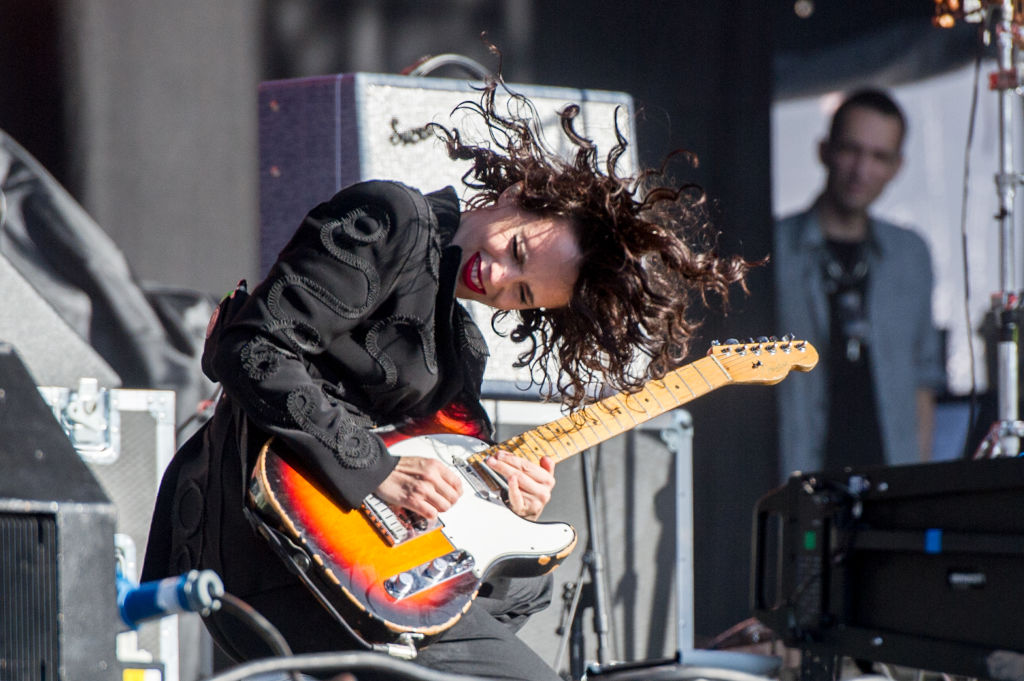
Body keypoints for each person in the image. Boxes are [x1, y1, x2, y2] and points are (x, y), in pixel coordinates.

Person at [141, 76, 751, 681]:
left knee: (520, 590)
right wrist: (378, 471)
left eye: (522, 292)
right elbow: (256, 345)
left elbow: (442, 478)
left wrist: (504, 496)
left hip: (357, 562)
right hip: (268, 539)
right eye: (516, 249)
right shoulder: (391, 218)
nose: (499, 277)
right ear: (514, 194)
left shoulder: (462, 346)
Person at [774, 88, 946, 479]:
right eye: (851, 150)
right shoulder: (775, 249)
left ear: (897, 166)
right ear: (825, 151)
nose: (861, 170)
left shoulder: (910, 254)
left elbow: (924, 379)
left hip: (888, 481)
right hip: (799, 478)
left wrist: (916, 484)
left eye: (878, 156)